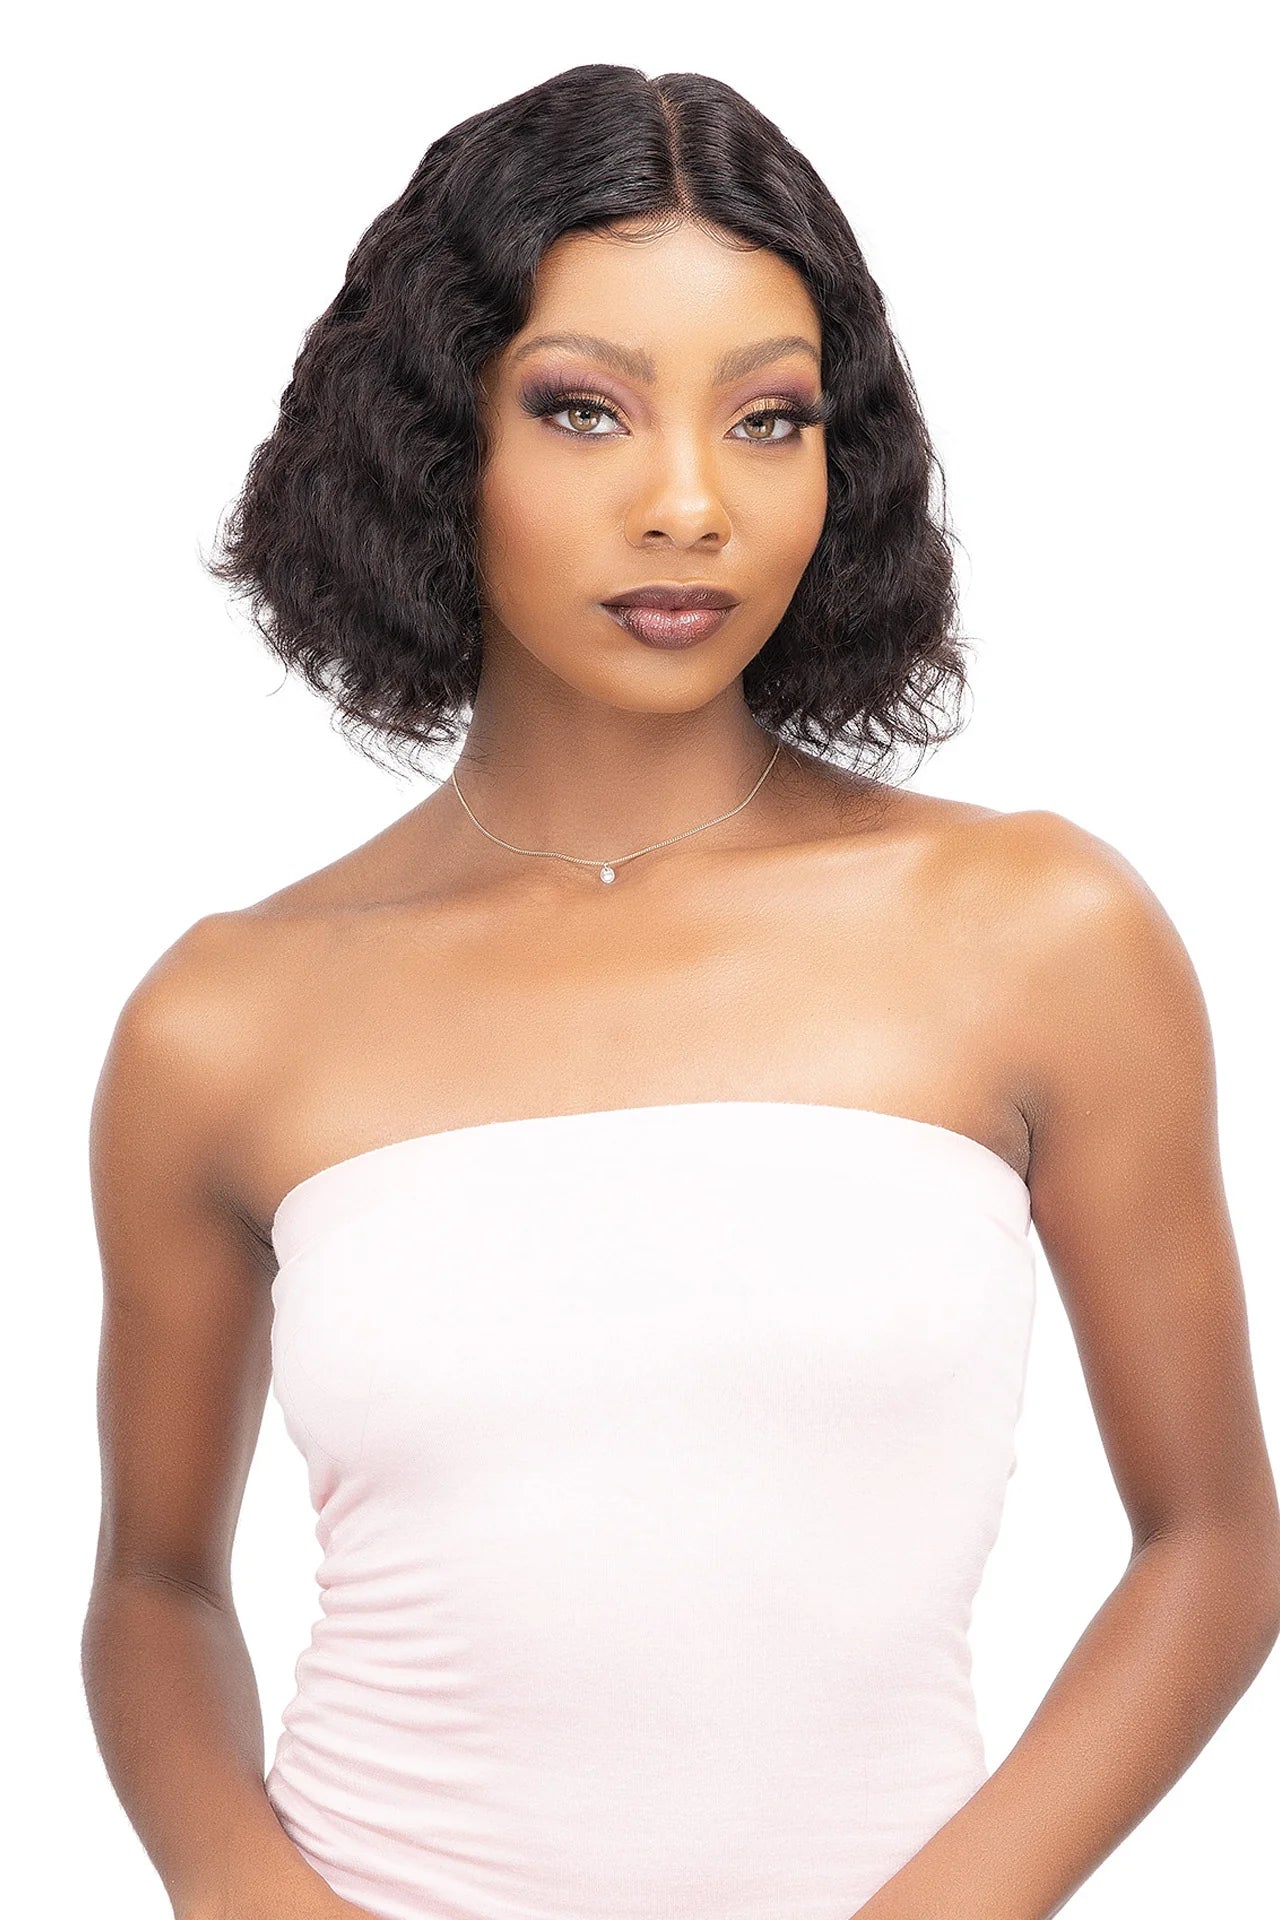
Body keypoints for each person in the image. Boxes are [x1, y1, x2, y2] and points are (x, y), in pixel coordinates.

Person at [81, 62, 1280, 1920]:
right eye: (585, 410)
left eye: (768, 418)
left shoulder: (1039, 931)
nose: (691, 504)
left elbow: (1213, 1544)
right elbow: (156, 1588)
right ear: (434, 439)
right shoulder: (225, 1018)